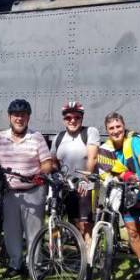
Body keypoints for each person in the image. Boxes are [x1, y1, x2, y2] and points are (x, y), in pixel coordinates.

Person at [0, 99, 52, 278]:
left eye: (23, 115)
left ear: (28, 117)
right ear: (9, 117)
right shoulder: (1, 138)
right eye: (16, 115)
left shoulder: (36, 137)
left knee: (34, 232)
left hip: (33, 190)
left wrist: (40, 174)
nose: (19, 118)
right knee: (11, 232)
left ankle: (35, 267)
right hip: (10, 193)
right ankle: (15, 265)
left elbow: (47, 163)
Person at [97, 112, 140, 280]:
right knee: (133, 235)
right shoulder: (106, 149)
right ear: (107, 131)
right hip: (127, 197)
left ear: (123, 126)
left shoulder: (135, 141)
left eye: (118, 126)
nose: (116, 131)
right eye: (111, 128)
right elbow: (106, 171)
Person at [51, 101, 100, 247]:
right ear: (64, 119)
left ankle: (89, 262)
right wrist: (54, 174)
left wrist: (85, 178)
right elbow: (53, 161)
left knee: (85, 224)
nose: (73, 120)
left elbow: (92, 157)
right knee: (67, 220)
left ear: (82, 118)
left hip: (86, 183)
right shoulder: (58, 137)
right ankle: (65, 252)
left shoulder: (90, 132)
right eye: (68, 118)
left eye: (77, 117)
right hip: (67, 184)